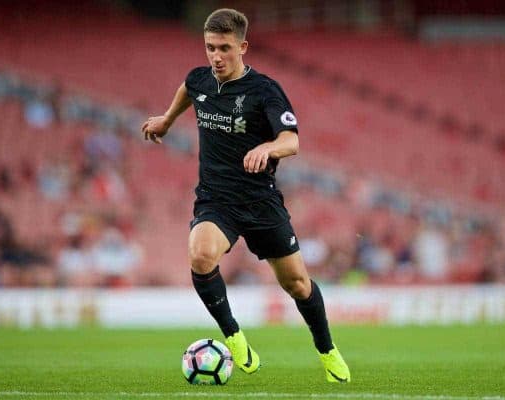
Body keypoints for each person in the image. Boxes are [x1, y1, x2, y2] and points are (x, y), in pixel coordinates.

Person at [141, 8, 350, 383]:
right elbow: (189, 88)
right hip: (216, 200)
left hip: (260, 202)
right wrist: (168, 119)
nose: (216, 57)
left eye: (224, 48)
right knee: (200, 254)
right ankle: (234, 338)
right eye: (209, 48)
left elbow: (292, 140)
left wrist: (269, 148)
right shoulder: (200, 79)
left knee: (297, 285)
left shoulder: (264, 90)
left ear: (243, 47)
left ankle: (327, 349)